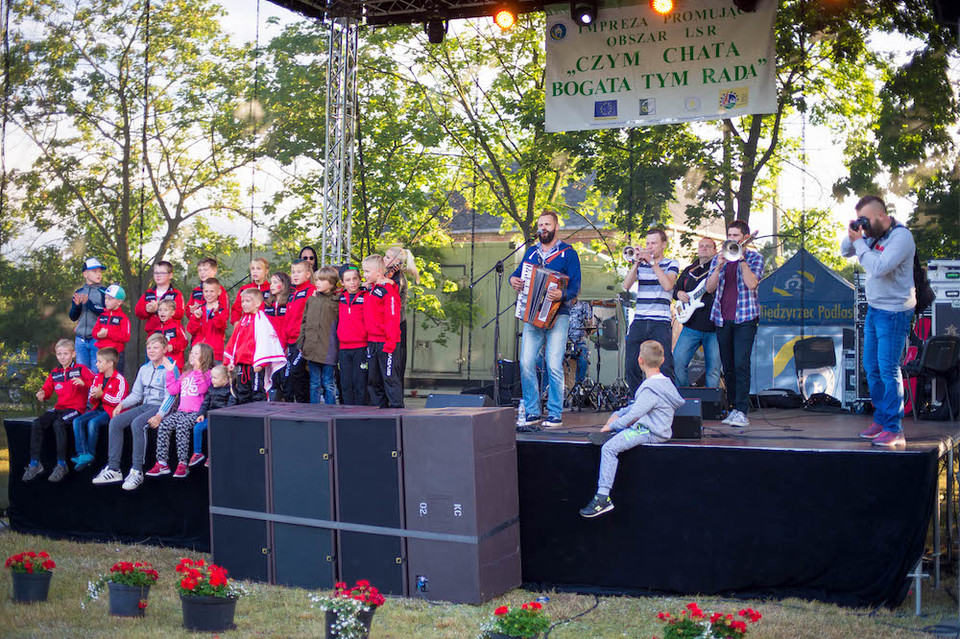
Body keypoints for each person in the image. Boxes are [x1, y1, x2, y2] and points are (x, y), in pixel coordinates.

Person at [840, 195, 917, 447]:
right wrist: (855, 231)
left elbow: (879, 267)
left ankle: (895, 428)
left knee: (888, 369)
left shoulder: (901, 237)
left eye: (869, 220)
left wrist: (861, 242)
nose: (867, 226)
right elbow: (844, 250)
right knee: (871, 367)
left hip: (894, 312)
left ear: (883, 216)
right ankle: (882, 419)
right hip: (875, 310)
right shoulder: (872, 235)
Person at [579, 340, 684, 518]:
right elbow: (634, 408)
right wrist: (618, 413)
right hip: (654, 428)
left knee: (609, 449)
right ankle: (616, 434)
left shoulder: (650, 389)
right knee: (621, 431)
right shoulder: (665, 384)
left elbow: (634, 415)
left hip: (650, 433)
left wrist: (610, 425)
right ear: (663, 359)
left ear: (640, 360)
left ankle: (603, 497)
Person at [509, 210, 582, 429]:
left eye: (547, 224)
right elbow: (519, 274)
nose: (543, 228)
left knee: (553, 364)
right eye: (540, 225)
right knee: (526, 363)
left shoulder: (568, 253)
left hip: (558, 314)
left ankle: (555, 413)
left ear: (556, 227)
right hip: (532, 315)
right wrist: (514, 280)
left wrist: (563, 294)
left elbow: (576, 285)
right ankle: (532, 411)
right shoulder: (531, 252)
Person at [92, 333, 176, 491]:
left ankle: (137, 471)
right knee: (116, 421)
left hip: (160, 407)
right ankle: (113, 469)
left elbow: (171, 396)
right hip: (145, 405)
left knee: (137, 423)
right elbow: (137, 394)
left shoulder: (170, 367)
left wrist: (160, 415)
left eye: (155, 347)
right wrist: (121, 404)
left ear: (165, 349)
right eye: (148, 348)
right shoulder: (144, 368)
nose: (151, 350)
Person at [704, 220, 764, 428]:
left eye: (736, 236)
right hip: (722, 318)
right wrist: (718, 267)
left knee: (741, 364)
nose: (732, 238)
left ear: (745, 237)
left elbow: (752, 283)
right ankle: (732, 408)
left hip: (745, 318)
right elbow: (710, 289)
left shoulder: (755, 257)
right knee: (728, 367)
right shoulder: (719, 258)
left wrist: (742, 259)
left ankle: (742, 410)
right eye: (729, 235)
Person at [22, 339, 95, 483]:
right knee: (37, 423)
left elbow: (95, 382)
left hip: (76, 409)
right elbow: (47, 390)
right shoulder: (55, 373)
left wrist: (84, 383)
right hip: (59, 408)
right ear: (56, 355)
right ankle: (35, 463)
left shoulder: (81, 369)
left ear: (73, 354)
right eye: (59, 354)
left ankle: (61, 464)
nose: (62, 357)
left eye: (66, 353)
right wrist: (42, 393)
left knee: (58, 424)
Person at [623, 228, 679, 392]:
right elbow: (626, 285)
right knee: (631, 363)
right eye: (648, 243)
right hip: (640, 319)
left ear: (663, 244)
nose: (650, 246)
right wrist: (637, 263)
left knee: (665, 363)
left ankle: (667, 403)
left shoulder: (671, 263)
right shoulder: (642, 265)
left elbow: (668, 285)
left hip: (660, 322)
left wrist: (653, 263)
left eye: (653, 243)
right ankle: (636, 400)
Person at [147, 343, 214, 479]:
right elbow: (173, 390)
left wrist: (198, 370)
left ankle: (183, 463)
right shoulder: (185, 374)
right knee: (165, 424)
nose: (192, 355)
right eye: (191, 352)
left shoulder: (207, 374)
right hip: (181, 411)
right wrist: (170, 372)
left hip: (196, 412)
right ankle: (162, 463)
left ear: (205, 357)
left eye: (196, 353)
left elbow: (202, 389)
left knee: (182, 426)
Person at [672, 237, 721, 388]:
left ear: (715, 251)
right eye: (701, 246)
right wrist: (679, 293)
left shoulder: (718, 268)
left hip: (713, 328)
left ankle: (710, 405)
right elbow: (675, 290)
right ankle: (684, 399)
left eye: (708, 246)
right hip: (691, 326)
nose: (704, 248)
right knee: (678, 363)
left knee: (713, 370)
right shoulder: (689, 271)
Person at [224, 288, 287, 404]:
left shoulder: (261, 320)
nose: (244, 304)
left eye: (247, 301)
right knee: (242, 392)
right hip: (242, 365)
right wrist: (229, 360)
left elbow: (265, 343)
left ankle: (259, 418)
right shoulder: (242, 321)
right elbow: (234, 341)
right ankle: (245, 416)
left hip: (255, 366)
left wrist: (261, 363)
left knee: (257, 392)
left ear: (258, 303)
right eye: (242, 301)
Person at [71, 347, 127, 472]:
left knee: (93, 423)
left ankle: (90, 454)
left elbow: (118, 401)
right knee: (77, 421)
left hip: (111, 412)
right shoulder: (97, 378)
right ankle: (83, 453)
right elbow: (92, 400)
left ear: (110, 363)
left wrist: (102, 395)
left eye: (99, 361)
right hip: (98, 409)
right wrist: (94, 396)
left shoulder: (120, 379)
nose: (96, 364)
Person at [363, 255, 403, 408]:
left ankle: (397, 413)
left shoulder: (388, 290)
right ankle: (379, 414)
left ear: (379, 272)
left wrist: (390, 342)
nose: (364, 275)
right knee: (373, 381)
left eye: (367, 271)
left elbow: (393, 317)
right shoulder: (371, 289)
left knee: (390, 379)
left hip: (386, 343)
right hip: (372, 342)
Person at [298, 266, 340, 405]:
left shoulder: (337, 301)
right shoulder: (312, 300)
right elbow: (304, 322)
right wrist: (301, 342)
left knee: (328, 383)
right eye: (317, 280)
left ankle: (330, 411)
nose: (318, 283)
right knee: (314, 382)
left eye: (322, 280)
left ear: (332, 283)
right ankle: (313, 411)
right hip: (311, 347)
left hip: (328, 348)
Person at [383, 246, 420, 387]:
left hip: (396, 324)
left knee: (395, 363)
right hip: (390, 324)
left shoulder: (398, 279)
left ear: (396, 260)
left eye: (387, 257)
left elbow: (391, 299)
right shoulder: (389, 275)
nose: (384, 259)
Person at [190, 364, 236, 468]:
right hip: (210, 417)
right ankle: (197, 453)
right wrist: (201, 414)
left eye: (215, 378)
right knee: (197, 427)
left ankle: (213, 455)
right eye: (211, 377)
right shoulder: (211, 389)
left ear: (225, 379)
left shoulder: (231, 390)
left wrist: (222, 417)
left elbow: (231, 406)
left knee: (215, 432)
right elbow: (205, 403)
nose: (212, 380)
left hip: (221, 418)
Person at [282, 259, 315, 402]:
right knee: (289, 377)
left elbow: (312, 318)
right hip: (290, 343)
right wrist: (283, 344)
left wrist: (305, 341)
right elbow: (287, 320)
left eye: (299, 272)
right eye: (293, 272)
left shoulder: (311, 291)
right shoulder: (293, 294)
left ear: (308, 274)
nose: (295, 275)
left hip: (302, 342)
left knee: (297, 373)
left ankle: (305, 406)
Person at [337, 263, 368, 405]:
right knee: (345, 384)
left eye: (355, 279)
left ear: (360, 279)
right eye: (348, 280)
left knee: (360, 382)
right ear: (342, 283)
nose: (352, 283)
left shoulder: (366, 296)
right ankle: (347, 414)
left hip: (361, 346)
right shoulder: (339, 298)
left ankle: (360, 414)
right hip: (343, 348)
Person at [69, 257, 106, 371]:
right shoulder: (79, 292)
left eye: (100, 271)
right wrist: (78, 306)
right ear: (85, 274)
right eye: (95, 271)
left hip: (97, 339)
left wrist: (89, 304)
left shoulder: (104, 292)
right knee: (82, 374)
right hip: (80, 340)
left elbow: (105, 313)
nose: (98, 274)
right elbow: (73, 317)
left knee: (96, 373)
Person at [135, 261, 185, 336]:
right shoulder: (148, 293)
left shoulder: (176, 294)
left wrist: (157, 310)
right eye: (156, 273)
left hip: (170, 335)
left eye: (162, 273)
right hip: (152, 335)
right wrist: (147, 310)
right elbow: (138, 311)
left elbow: (179, 314)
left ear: (170, 275)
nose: (158, 275)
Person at [186, 278, 228, 363]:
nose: (209, 294)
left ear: (219, 292)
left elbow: (220, 326)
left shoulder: (222, 310)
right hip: (198, 354)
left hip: (214, 354)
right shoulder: (199, 309)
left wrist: (216, 313)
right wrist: (196, 318)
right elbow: (190, 330)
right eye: (206, 291)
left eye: (212, 291)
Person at [264, 271, 292, 397]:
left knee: (286, 382)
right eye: (271, 282)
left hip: (284, 347)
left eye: (275, 282)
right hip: (270, 349)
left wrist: (286, 346)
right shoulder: (266, 304)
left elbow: (289, 326)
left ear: (284, 285)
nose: (271, 285)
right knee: (273, 381)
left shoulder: (289, 303)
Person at [93, 284, 131, 373]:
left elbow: (126, 337)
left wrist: (108, 333)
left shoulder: (123, 318)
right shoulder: (102, 316)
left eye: (110, 299)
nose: (106, 301)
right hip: (101, 353)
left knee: (116, 379)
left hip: (115, 354)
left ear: (119, 302)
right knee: (102, 379)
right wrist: (98, 334)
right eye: (105, 298)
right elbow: (94, 332)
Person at [231, 257, 271, 324]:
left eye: (258, 268)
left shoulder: (271, 288)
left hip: (267, 325)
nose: (255, 271)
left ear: (266, 271)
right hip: (248, 325)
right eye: (252, 269)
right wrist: (236, 322)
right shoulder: (245, 289)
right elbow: (236, 309)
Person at [154, 298, 188, 369]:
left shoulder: (177, 327)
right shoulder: (157, 329)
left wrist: (173, 347)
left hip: (175, 364)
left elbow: (184, 342)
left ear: (172, 313)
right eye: (160, 310)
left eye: (166, 310)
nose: (162, 312)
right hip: (161, 365)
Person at [567, 299, 592, 385]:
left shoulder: (584, 305)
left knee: (584, 359)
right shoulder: (561, 304)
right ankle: (547, 390)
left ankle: (579, 386)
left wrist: (588, 329)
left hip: (579, 342)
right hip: (561, 342)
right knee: (545, 359)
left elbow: (591, 325)